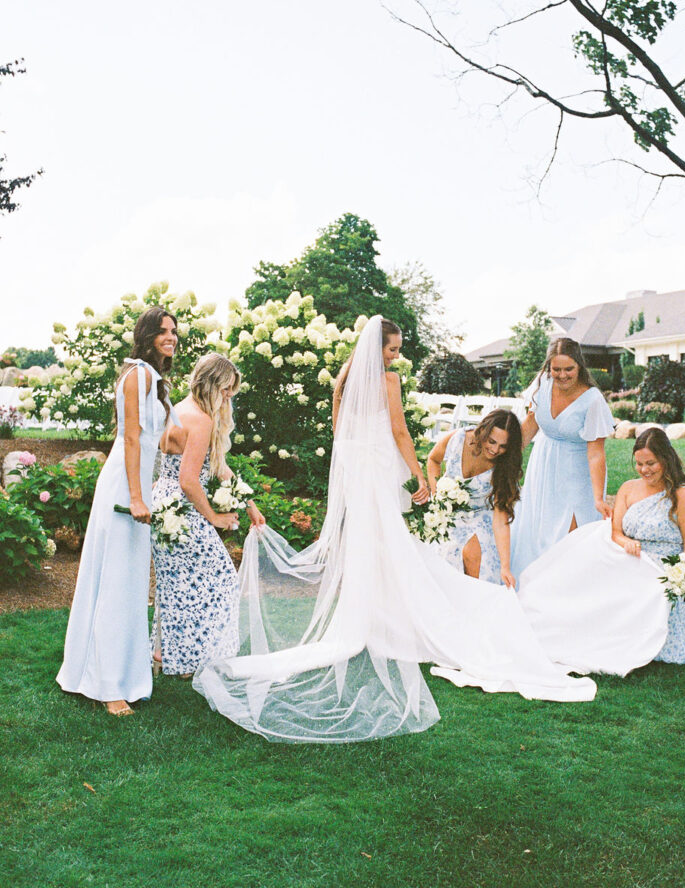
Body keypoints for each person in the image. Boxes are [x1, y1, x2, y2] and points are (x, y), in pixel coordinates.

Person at [193, 316, 596, 744]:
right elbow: (401, 431)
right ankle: (387, 621)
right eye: (392, 349)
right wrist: (418, 474)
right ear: (378, 348)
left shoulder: (347, 376)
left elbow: (337, 415)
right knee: (385, 544)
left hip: (355, 465)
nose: (395, 356)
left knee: (374, 545)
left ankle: (373, 619)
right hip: (378, 466)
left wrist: (349, 449)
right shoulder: (387, 382)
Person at [517, 428, 685, 674]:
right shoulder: (628, 489)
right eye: (639, 463)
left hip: (665, 567)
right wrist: (626, 543)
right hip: (629, 559)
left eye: (651, 463)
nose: (645, 469)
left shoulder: (683, 495)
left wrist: (678, 571)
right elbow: (615, 531)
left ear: (666, 459)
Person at [56, 307, 178, 716]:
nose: (171, 337)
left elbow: (158, 440)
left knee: (126, 582)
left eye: (174, 332)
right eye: (163, 331)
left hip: (137, 482)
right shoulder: (139, 374)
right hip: (125, 489)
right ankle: (108, 686)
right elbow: (130, 438)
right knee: (116, 582)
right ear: (147, 335)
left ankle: (118, 673)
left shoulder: (152, 377)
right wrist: (138, 497)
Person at [151, 354, 265, 677]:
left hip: (164, 502)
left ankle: (167, 655)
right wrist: (215, 517)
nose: (229, 396)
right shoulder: (200, 420)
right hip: (183, 510)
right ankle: (188, 658)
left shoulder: (177, 409)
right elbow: (189, 480)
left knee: (176, 583)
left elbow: (218, 467)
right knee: (223, 579)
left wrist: (249, 504)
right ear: (212, 384)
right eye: (226, 389)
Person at [510, 338, 615, 584]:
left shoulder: (592, 399)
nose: (562, 375)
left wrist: (598, 497)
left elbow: (597, 452)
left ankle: (567, 594)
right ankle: (533, 588)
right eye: (556, 369)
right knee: (537, 531)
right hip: (543, 465)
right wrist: (508, 460)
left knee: (569, 537)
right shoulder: (541, 385)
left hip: (577, 474)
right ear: (548, 367)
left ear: (579, 366)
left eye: (569, 369)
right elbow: (530, 425)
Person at [427, 410, 521, 587]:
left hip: (480, 514)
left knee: (474, 551)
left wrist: (505, 567)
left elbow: (501, 518)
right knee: (448, 551)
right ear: (482, 431)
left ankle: (474, 600)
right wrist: (436, 493)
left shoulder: (504, 465)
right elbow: (433, 459)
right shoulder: (457, 439)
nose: (495, 450)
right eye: (492, 441)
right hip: (449, 512)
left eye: (503, 446)